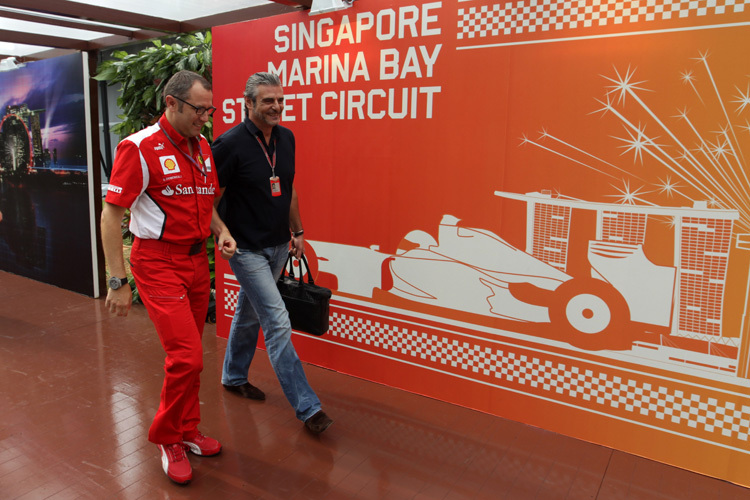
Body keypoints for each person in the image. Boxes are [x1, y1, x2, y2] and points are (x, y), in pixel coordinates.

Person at [101, 70, 236, 485]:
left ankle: (188, 428)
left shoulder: (202, 149)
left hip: (196, 264)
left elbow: (203, 200)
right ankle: (166, 437)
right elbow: (111, 214)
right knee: (187, 356)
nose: (205, 118)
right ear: (172, 103)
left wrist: (221, 230)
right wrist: (117, 281)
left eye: (209, 110)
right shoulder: (139, 148)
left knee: (192, 356)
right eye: (199, 109)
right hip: (157, 263)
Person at [212, 72, 333, 434]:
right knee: (277, 321)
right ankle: (308, 407)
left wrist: (297, 230)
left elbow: (289, 188)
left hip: (280, 244)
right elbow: (208, 201)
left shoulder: (287, 138)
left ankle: (233, 375)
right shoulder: (229, 144)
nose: (276, 106)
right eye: (268, 101)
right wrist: (222, 234)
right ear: (248, 103)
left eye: (280, 100)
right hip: (246, 249)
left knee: (250, 314)